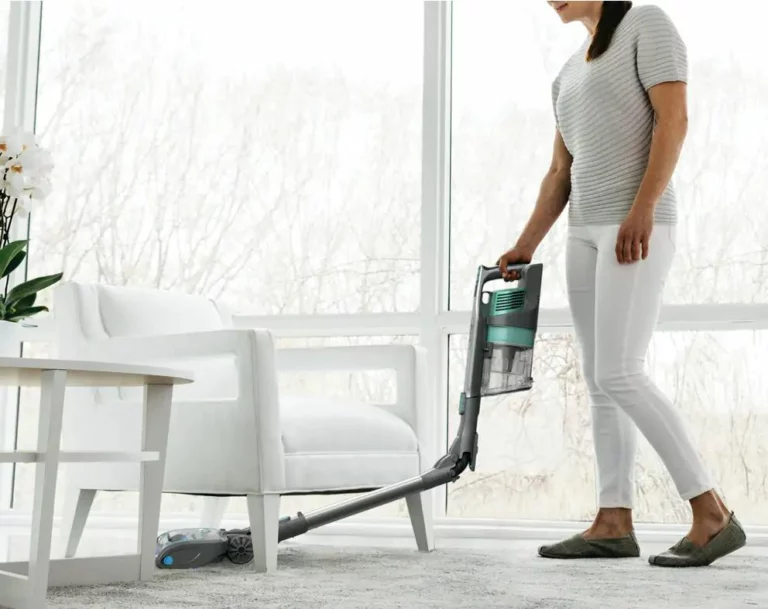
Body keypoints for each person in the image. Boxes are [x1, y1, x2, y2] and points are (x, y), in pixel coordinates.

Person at [497, 1, 746, 567]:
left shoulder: (646, 25)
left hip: (636, 224)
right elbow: (561, 171)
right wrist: (527, 242)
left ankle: (712, 512)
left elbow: (674, 120)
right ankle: (612, 521)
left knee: (620, 371)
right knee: (599, 379)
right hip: (584, 232)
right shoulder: (567, 72)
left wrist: (644, 209)